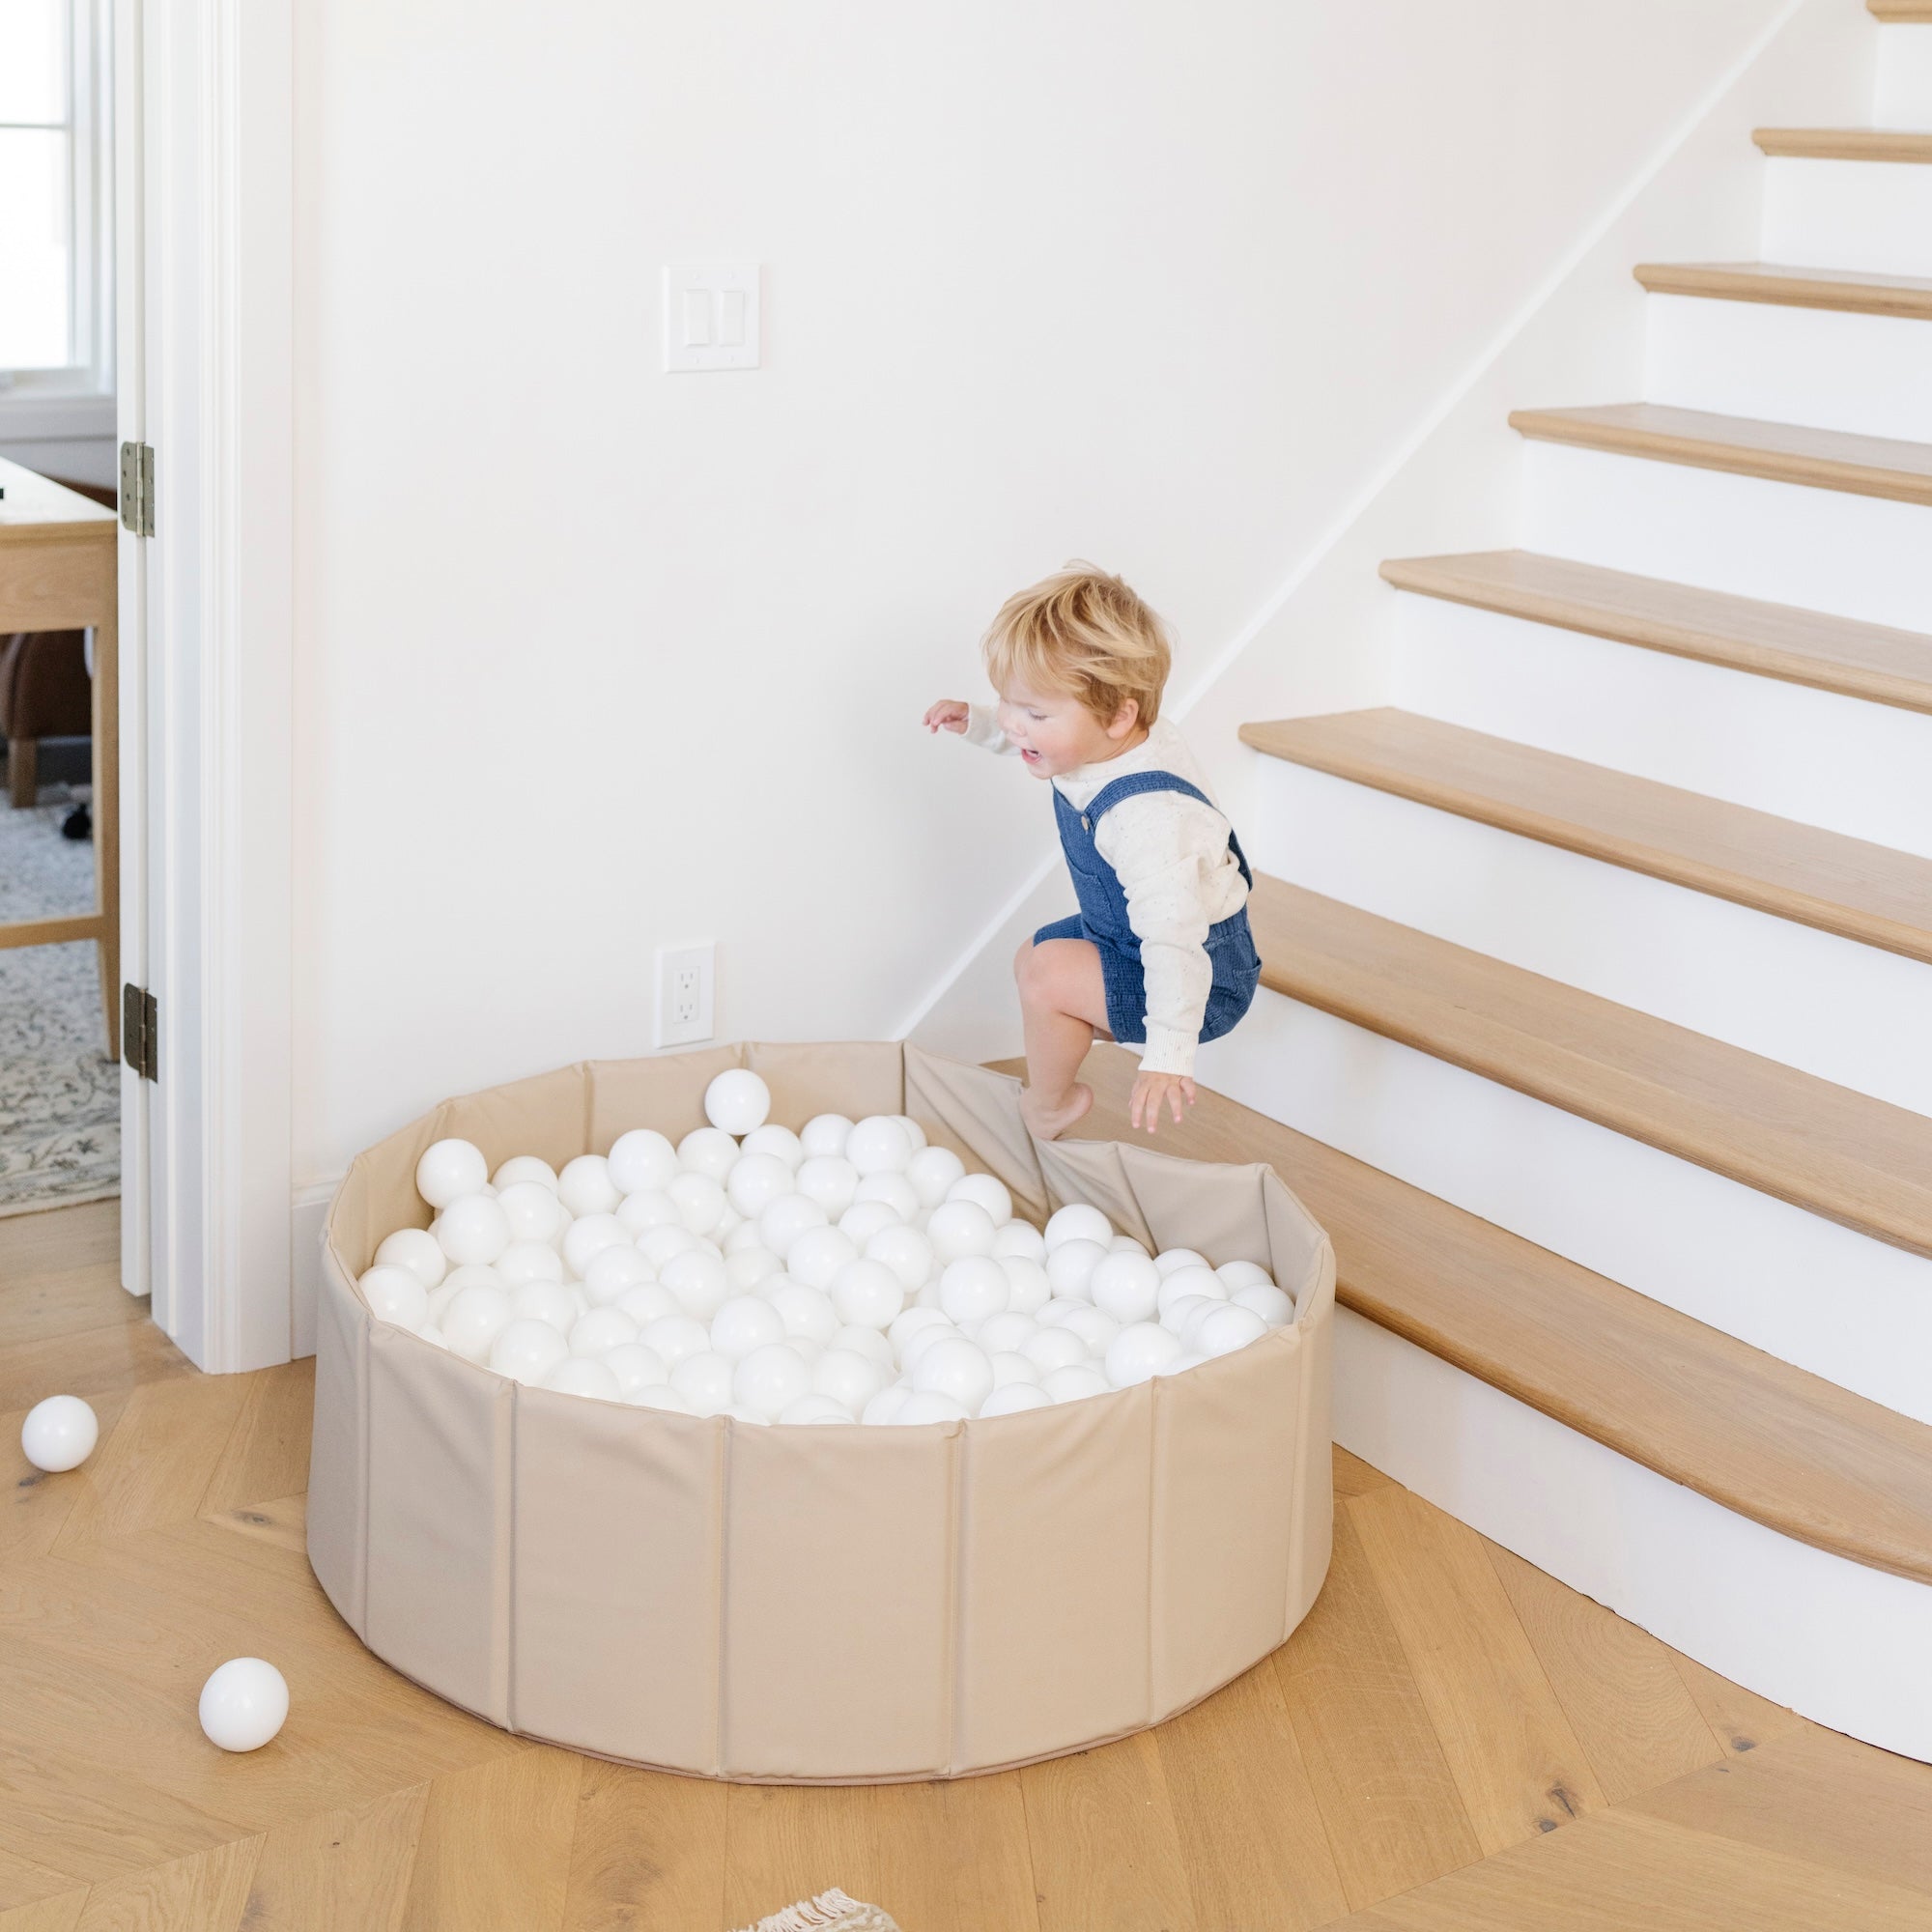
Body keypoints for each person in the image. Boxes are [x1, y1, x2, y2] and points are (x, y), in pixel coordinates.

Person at [925, 563, 1261, 1140]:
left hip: (1199, 975)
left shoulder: (1148, 820)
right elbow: (1042, 741)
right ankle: (1059, 1070)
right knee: (1033, 956)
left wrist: (1168, 1054)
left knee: (1048, 976)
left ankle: (1050, 1107)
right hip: (1125, 931)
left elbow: (1174, 939)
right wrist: (979, 724)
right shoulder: (1095, 740)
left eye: (1033, 714)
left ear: (1118, 716)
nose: (1014, 724)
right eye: (1007, 702)